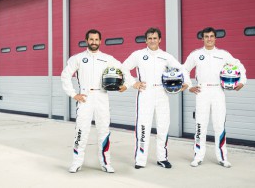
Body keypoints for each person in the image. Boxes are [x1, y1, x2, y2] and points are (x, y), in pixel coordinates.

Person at [122, 27, 191, 169]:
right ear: (146, 40)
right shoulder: (138, 55)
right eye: (150, 38)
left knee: (163, 126)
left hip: (161, 93)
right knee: (143, 126)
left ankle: (162, 158)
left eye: (155, 38)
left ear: (160, 39)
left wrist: (187, 83)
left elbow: (182, 69)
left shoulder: (166, 56)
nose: (152, 40)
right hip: (145, 92)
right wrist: (132, 83)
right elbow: (123, 68)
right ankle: (140, 160)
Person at [61, 29, 128, 173]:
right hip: (85, 98)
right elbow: (65, 75)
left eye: (96, 40)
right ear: (86, 41)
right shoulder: (77, 58)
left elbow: (124, 69)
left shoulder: (107, 58)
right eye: (91, 39)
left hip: (102, 96)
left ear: (100, 41)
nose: (94, 42)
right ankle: (76, 162)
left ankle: (106, 163)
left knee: (104, 130)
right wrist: (73, 94)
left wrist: (125, 85)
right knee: (81, 130)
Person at [183, 27, 247, 168]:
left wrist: (242, 81)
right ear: (203, 38)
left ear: (215, 38)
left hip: (218, 91)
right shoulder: (196, 54)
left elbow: (239, 65)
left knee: (219, 125)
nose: (209, 39)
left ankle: (222, 157)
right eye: (206, 36)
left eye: (212, 36)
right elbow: (184, 70)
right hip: (202, 91)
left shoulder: (223, 54)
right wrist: (189, 86)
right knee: (200, 125)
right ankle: (198, 157)